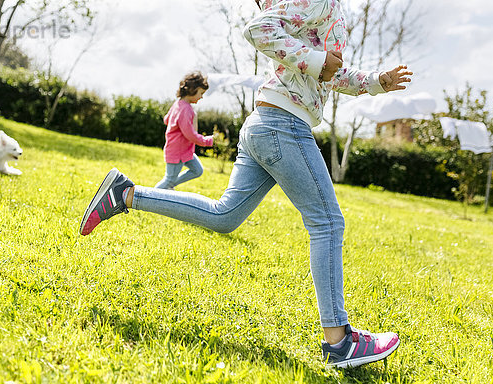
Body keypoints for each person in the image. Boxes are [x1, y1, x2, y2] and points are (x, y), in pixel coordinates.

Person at [80, 0, 412, 368]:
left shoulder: (330, 10)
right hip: (283, 124)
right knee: (327, 222)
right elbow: (258, 29)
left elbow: (330, 73)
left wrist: (375, 82)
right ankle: (339, 342)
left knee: (225, 217)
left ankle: (125, 194)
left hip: (266, 122)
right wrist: (319, 62)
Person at [155, 71, 213, 190]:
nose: (201, 96)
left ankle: (170, 186)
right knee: (169, 179)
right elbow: (190, 135)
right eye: (201, 93)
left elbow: (166, 119)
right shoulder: (186, 110)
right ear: (192, 90)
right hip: (177, 152)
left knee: (197, 170)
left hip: (185, 151)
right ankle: (148, 196)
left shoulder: (178, 104)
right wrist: (207, 141)